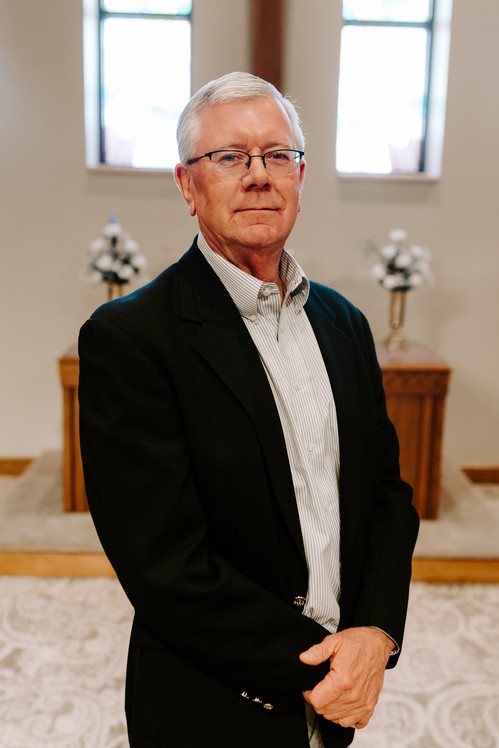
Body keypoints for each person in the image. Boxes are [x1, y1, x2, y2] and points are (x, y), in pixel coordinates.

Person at [78, 71, 419, 748]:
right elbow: (164, 562)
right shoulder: (132, 339)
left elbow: (385, 493)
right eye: (230, 156)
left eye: (277, 155)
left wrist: (375, 633)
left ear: (300, 176)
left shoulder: (344, 324)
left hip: (336, 699)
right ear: (187, 185)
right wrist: (324, 666)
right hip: (213, 699)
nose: (258, 175)